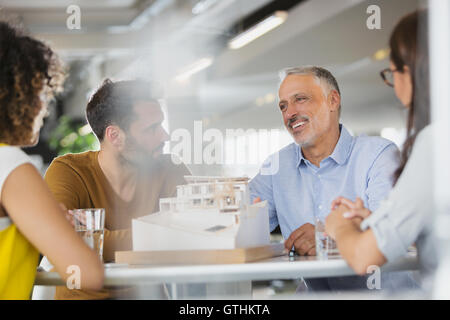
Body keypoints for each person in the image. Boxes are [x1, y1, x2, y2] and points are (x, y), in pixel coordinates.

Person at [248, 66, 414, 291]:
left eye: (301, 99)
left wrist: (323, 237)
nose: (289, 113)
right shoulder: (277, 167)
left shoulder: (378, 155)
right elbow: (236, 223)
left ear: (333, 100)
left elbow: (387, 232)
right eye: (283, 106)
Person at [44, 78, 190, 299]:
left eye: (161, 125)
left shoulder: (170, 169)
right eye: (152, 129)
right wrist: (162, 235)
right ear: (115, 136)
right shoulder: (69, 172)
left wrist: (98, 240)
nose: (165, 136)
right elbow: (61, 241)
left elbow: (195, 233)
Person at [325, 10, 436, 292]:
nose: (394, 84)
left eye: (392, 73)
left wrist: (339, 227)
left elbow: (364, 257)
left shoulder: (435, 144)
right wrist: (377, 221)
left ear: (412, 72)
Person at [0, 22, 104, 299]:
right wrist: (61, 230)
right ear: (15, 95)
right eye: (42, 93)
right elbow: (86, 273)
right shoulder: (9, 164)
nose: (44, 108)